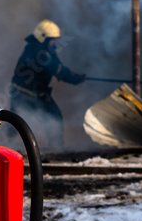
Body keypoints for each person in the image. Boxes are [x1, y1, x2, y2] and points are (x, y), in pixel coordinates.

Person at [9, 19, 86, 149]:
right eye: (52, 40)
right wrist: (76, 78)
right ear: (43, 37)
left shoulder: (36, 48)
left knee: (14, 122)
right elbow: (59, 70)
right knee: (54, 117)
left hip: (23, 92)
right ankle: (56, 150)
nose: (55, 43)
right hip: (29, 94)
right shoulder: (41, 53)